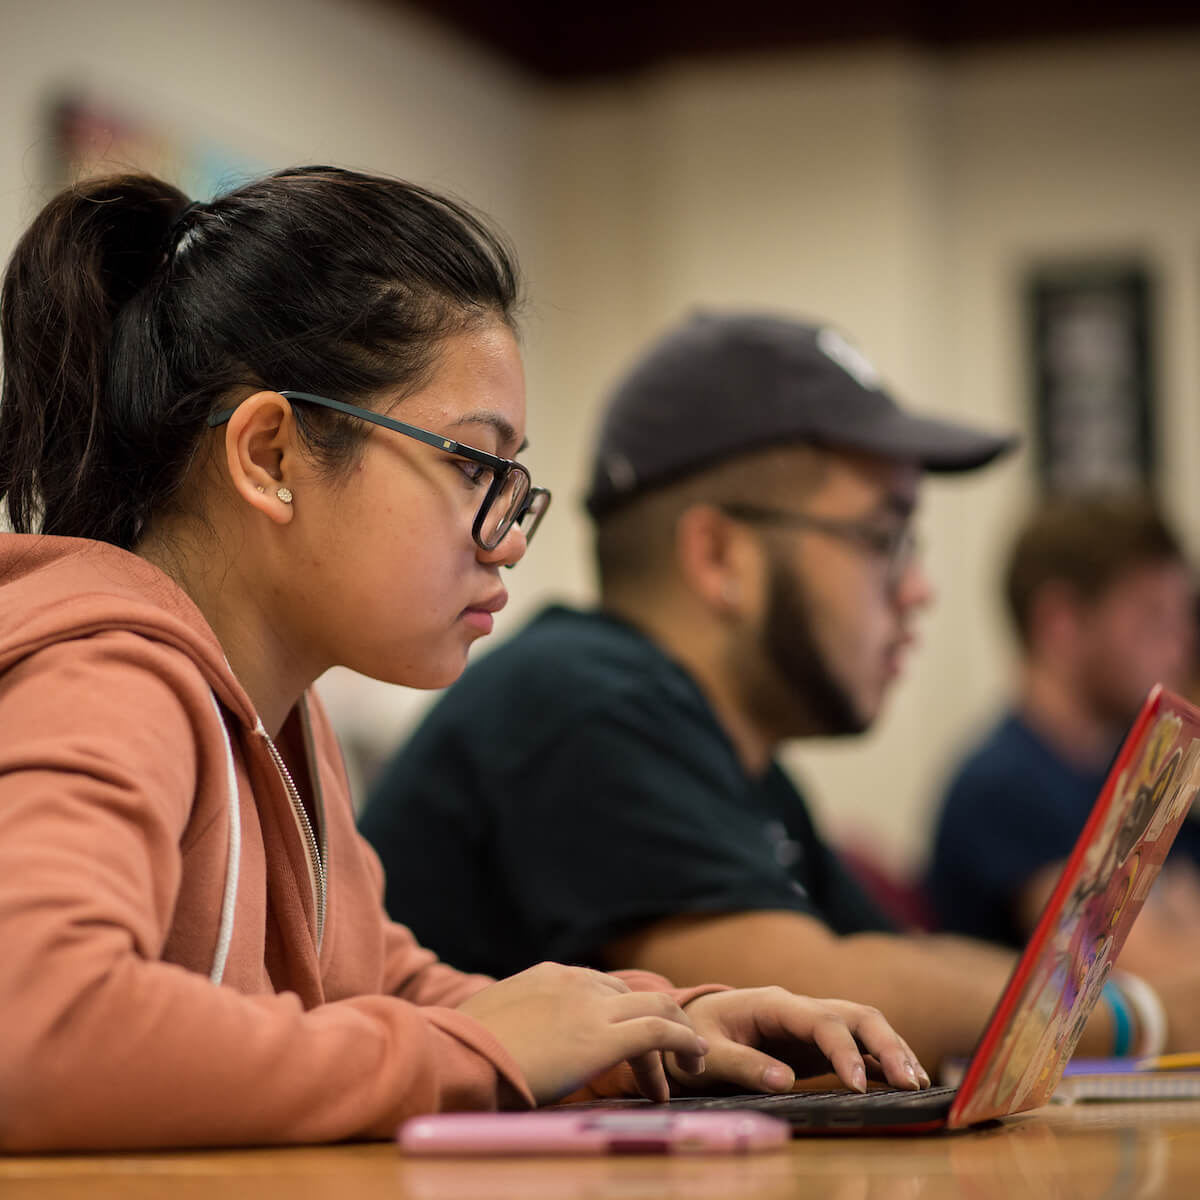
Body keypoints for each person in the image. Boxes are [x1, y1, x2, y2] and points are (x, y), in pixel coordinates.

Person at [0, 173, 929, 1152]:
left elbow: (381, 986)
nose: (510, 540)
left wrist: (654, 1028)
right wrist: (472, 1056)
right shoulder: (110, 676)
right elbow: (34, 1026)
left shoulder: (284, 714)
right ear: (270, 455)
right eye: (471, 466)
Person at [361, 310, 1200, 1070]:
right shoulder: (582, 701)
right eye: (885, 538)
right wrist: (1149, 1015)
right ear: (721, 556)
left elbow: (907, 965)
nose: (917, 591)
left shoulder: (737, 762)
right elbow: (825, 991)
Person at [927, 493, 1200, 975]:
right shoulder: (1002, 787)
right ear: (1061, 622)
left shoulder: (1140, 772)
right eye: (1153, 617)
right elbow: (1148, 972)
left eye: (1183, 619)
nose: (1180, 647)